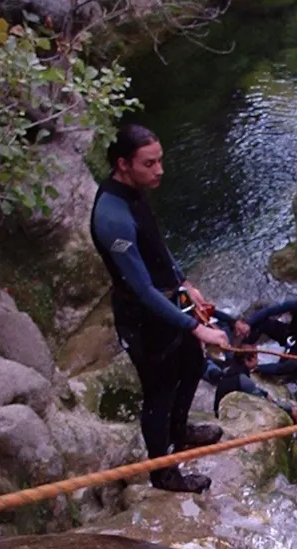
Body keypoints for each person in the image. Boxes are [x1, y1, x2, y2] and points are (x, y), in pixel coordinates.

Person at [90, 124, 229, 494]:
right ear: (123, 163)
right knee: (159, 392)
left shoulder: (136, 192)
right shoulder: (111, 217)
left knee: (194, 364)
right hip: (143, 317)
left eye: (160, 161)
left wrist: (186, 285)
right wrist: (195, 327)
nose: (160, 170)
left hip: (168, 299)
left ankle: (180, 432)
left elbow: (157, 247)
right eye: (149, 163)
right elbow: (142, 289)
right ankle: (163, 472)